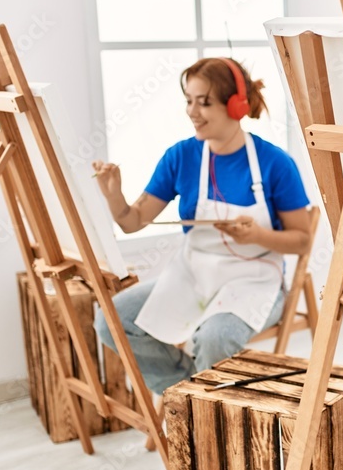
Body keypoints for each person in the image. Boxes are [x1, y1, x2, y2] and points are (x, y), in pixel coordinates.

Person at [92, 57, 311, 394]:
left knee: (214, 338)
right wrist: (114, 196)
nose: (192, 111)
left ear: (235, 106)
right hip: (193, 277)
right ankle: (189, 394)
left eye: (204, 103)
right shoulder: (180, 157)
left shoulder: (275, 163)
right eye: (189, 101)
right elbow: (132, 221)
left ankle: (203, 410)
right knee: (112, 320)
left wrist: (257, 235)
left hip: (255, 282)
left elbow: (301, 241)